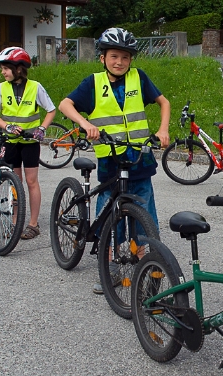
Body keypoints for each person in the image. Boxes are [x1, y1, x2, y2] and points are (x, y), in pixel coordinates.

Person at [58, 27, 171, 294]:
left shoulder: (138, 78)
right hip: (110, 160)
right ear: (103, 58)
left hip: (139, 158)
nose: (119, 62)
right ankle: (108, 266)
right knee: (109, 212)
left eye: (124, 57)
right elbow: (65, 104)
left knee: (145, 215)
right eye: (113, 56)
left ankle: (149, 264)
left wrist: (163, 129)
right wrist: (86, 125)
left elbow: (163, 102)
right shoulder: (93, 83)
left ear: (131, 60)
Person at [0, 47, 56, 239]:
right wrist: (6, 126)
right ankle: (16, 222)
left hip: (29, 141)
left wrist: (42, 128)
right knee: (16, 182)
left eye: (6, 68)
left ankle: (33, 224)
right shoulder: (2, 88)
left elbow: (51, 110)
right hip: (11, 142)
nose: (2, 72)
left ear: (18, 69)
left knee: (32, 181)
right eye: (2, 69)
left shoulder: (35, 87)